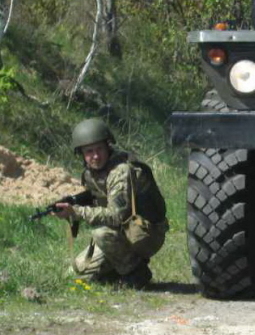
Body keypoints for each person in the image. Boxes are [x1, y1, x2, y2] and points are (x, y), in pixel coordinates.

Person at [53, 118, 169, 288]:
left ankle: (136, 273)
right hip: (123, 232)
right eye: (89, 151)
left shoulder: (120, 171)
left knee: (101, 233)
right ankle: (117, 270)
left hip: (145, 233)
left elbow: (116, 216)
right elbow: (98, 203)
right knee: (76, 273)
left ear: (108, 146)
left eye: (99, 149)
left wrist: (76, 212)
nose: (95, 156)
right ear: (81, 154)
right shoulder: (90, 174)